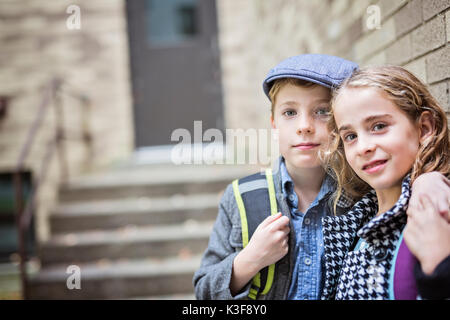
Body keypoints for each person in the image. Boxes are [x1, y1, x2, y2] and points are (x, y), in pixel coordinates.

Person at [193, 55, 448, 300]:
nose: (304, 126)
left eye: (322, 111)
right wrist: (249, 260)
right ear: (273, 123)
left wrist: (428, 179)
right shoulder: (242, 197)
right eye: (290, 112)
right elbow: (204, 290)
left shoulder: (362, 197)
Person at [321, 65, 450, 300]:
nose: (363, 147)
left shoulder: (439, 207)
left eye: (379, 126)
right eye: (350, 136)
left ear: (424, 128)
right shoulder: (350, 229)